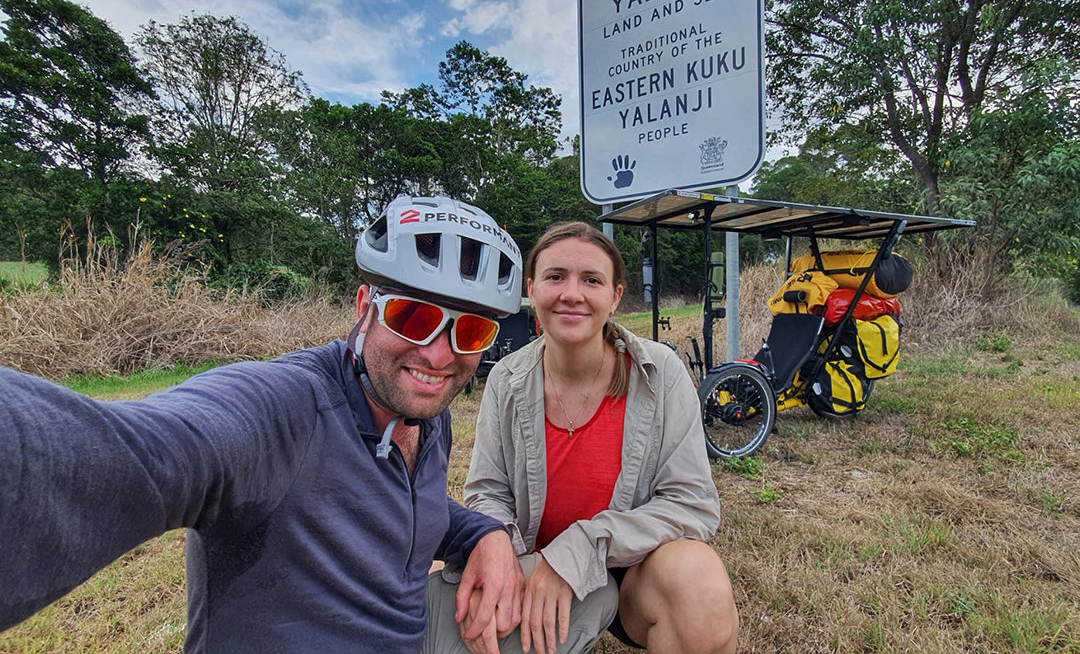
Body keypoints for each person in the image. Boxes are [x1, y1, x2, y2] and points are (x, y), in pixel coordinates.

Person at [0, 195, 527, 653]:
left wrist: (484, 534)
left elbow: (416, 508)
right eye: (412, 317)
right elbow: (142, 453)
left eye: (472, 332)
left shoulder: (426, 418)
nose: (438, 355)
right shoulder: (287, 406)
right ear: (366, 305)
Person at [427, 221, 739, 654]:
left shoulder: (661, 373)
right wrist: (500, 554)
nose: (571, 293)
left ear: (614, 296)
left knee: (697, 582)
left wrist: (583, 545)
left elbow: (692, 504)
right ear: (532, 290)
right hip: (533, 569)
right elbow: (488, 494)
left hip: (632, 574)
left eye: (591, 280)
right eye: (555, 277)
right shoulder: (505, 379)